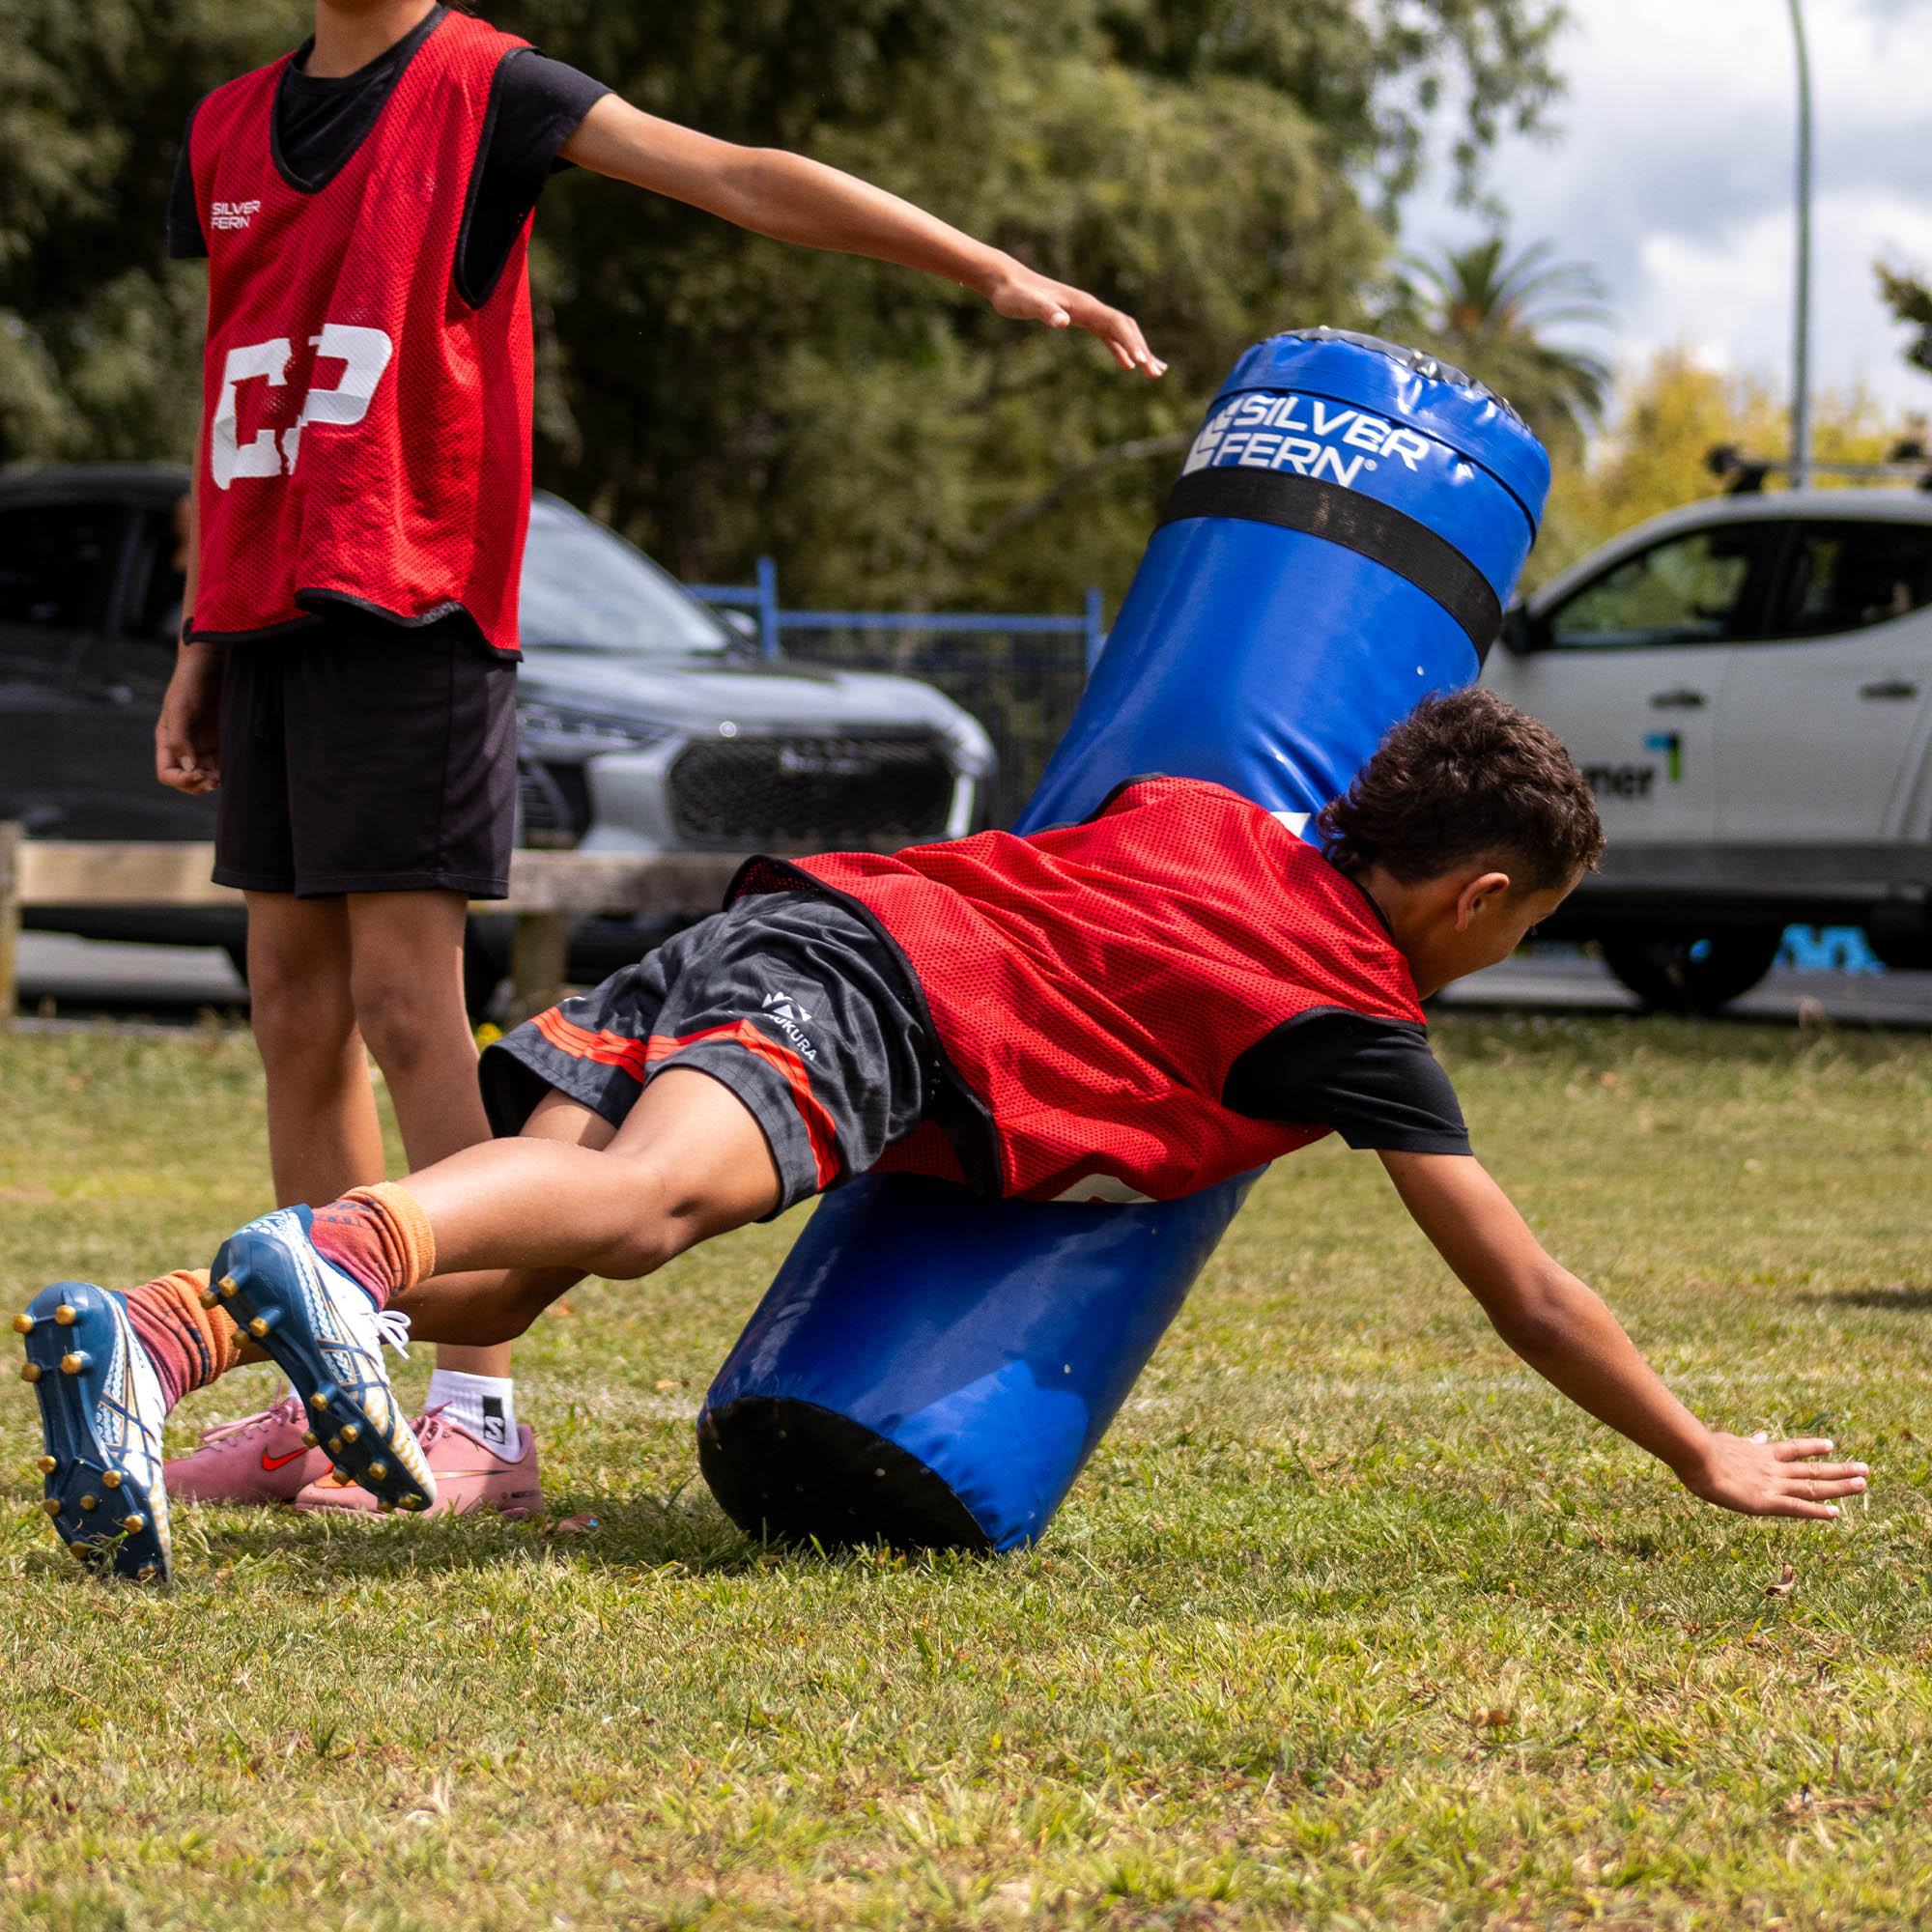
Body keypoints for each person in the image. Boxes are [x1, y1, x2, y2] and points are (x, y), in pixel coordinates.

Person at [21, 690, 1869, 1579]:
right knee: (647, 1205)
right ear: (1475, 897)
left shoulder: (1201, 802)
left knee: (594, 1225)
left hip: (778, 916)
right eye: (1520, 931)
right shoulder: (1353, 1018)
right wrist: (1700, 1448)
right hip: (875, 998)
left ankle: (158, 1335)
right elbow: (1527, 1288)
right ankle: (344, 1257)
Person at [150, 0, 1163, 1519]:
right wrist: (201, 634)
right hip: (269, 610)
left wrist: (990, 267)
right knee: (293, 1010)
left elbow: (741, 174)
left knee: (404, 1004)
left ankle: (477, 1417)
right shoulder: (227, 124)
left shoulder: (487, 86)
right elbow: (241, 372)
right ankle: (324, 1392)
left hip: (413, 610)